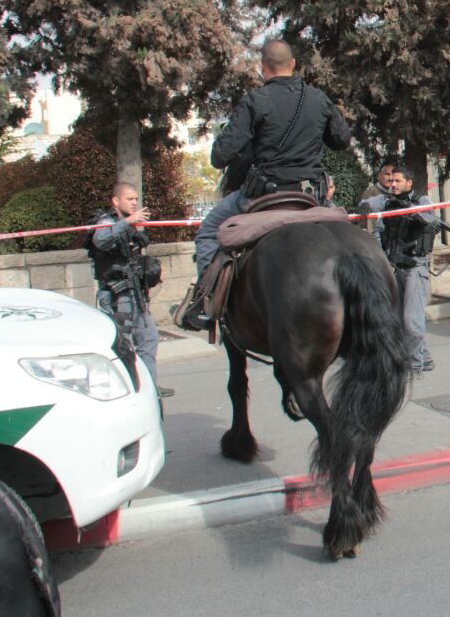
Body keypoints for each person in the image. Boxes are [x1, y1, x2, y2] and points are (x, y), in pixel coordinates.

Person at [182, 39, 351, 330]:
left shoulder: (255, 101)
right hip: (311, 198)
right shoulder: (318, 98)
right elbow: (341, 140)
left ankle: (206, 301)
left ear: (262, 69)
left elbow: (221, 156)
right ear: (294, 64)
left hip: (262, 197)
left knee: (209, 230)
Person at [88, 183, 170, 397]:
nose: (134, 203)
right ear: (116, 201)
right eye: (129, 199)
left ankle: (149, 387)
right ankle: (125, 389)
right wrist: (127, 222)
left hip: (135, 294)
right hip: (117, 295)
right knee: (123, 345)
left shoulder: (127, 225)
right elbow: (101, 241)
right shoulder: (106, 221)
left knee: (149, 338)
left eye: (136, 199)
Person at [380, 166, 441, 373]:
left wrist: (411, 211)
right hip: (397, 267)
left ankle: (414, 363)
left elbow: (431, 221)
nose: (393, 184)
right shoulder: (387, 202)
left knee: (411, 320)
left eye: (397, 181)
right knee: (398, 318)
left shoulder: (421, 201)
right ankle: (424, 358)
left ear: (409, 183)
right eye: (391, 181)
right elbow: (370, 207)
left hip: (416, 266)